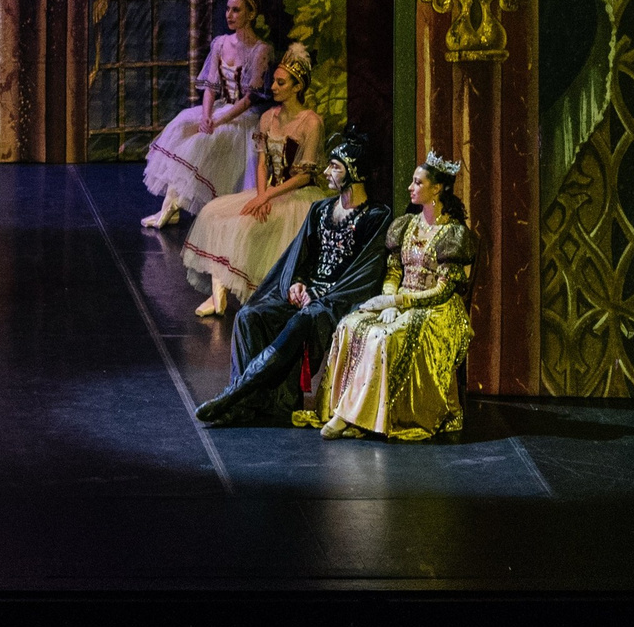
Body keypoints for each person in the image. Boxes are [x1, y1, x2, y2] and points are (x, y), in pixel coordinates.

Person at [193, 125, 391, 427]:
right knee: (250, 315)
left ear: (355, 173)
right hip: (307, 296)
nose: (326, 172)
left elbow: (364, 272)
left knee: (303, 321)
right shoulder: (320, 210)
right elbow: (298, 257)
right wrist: (296, 283)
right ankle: (250, 400)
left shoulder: (376, 217)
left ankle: (236, 395)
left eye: (334, 167)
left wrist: (321, 296)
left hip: (334, 302)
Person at [301, 152, 475, 440]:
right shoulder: (406, 224)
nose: (410, 187)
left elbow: (444, 290)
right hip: (402, 299)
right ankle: (344, 411)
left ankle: (352, 417)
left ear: (436, 189)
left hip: (437, 310)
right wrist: (389, 297)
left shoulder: (452, 233)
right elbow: (394, 271)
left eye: (418, 183)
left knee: (384, 337)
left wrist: (398, 302)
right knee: (350, 325)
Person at [183, 43, 324, 317]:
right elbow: (262, 163)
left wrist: (267, 197)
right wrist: (260, 194)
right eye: (274, 81)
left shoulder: (311, 122)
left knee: (246, 227)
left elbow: (305, 175)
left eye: (281, 83)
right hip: (269, 190)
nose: (273, 87)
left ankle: (243, 292)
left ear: (297, 87)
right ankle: (217, 293)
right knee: (213, 214)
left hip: (298, 196)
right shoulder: (268, 118)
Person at [140, 0, 271, 228]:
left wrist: (218, 121)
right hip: (219, 108)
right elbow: (210, 87)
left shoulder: (260, 50)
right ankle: (170, 207)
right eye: (228, 9)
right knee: (181, 129)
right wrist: (206, 116)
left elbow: (248, 100)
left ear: (251, 14)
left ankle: (172, 208)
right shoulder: (221, 43)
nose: (229, 15)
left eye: (236, 10)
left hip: (241, 117)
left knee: (203, 142)